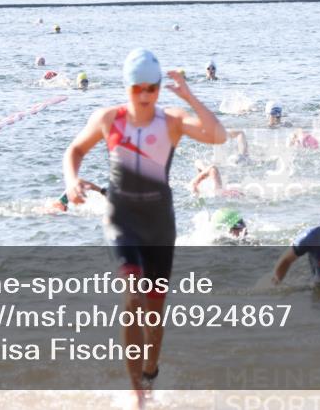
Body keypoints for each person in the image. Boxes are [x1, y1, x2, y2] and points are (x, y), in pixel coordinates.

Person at [61, 48, 226, 404]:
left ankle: (151, 370)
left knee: (154, 311)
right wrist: (72, 180)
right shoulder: (109, 119)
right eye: (139, 88)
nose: (146, 95)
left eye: (152, 88)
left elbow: (218, 135)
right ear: (127, 87)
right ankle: (137, 393)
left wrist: (189, 96)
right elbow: (74, 150)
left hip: (159, 225)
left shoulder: (171, 121)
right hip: (121, 220)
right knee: (132, 297)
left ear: (158, 88)